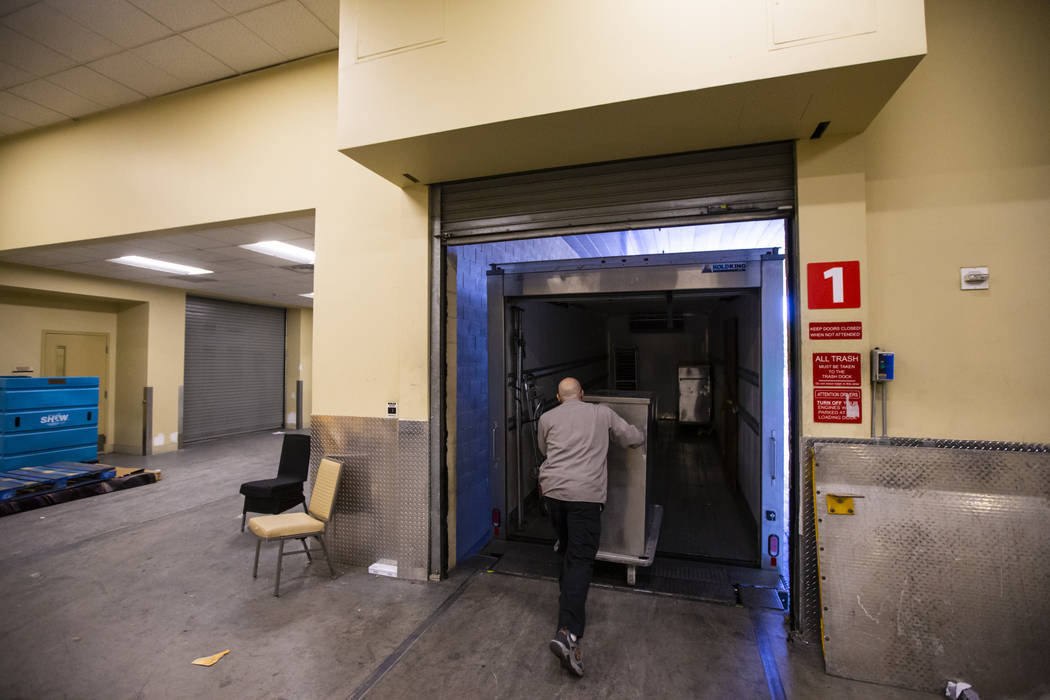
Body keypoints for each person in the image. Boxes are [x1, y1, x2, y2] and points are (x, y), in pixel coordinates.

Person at [537, 377, 644, 678]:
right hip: (585, 498)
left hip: (554, 495)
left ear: (559, 397)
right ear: (582, 395)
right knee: (581, 560)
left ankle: (566, 612)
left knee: (568, 551)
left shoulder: (546, 418)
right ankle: (568, 634)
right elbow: (629, 437)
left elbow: (545, 450)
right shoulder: (602, 413)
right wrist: (644, 435)